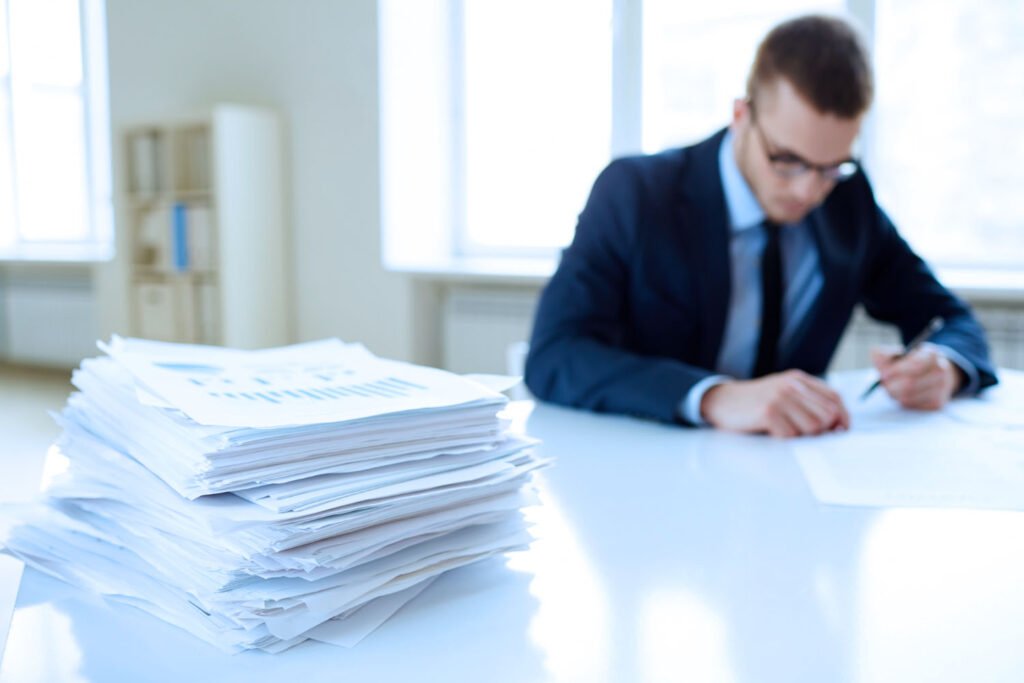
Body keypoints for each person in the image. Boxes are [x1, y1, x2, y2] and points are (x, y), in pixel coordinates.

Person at [524, 14, 997, 438]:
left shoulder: (848, 201)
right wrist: (715, 396)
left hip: (795, 484)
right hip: (650, 473)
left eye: (832, 165)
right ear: (740, 116)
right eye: (787, 160)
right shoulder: (638, 194)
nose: (808, 191)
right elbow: (555, 355)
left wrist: (944, 367)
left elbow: (952, 322)